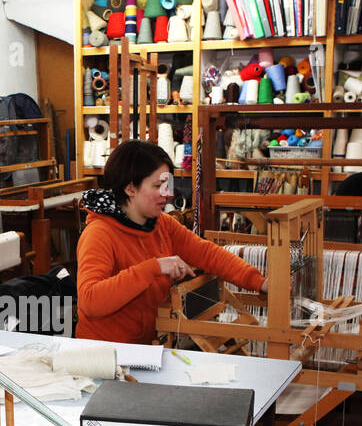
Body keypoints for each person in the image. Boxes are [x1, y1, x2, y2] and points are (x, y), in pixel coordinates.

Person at [77, 140, 267, 345]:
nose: (167, 195)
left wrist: (259, 282)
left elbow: (207, 253)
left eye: (167, 185)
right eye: (158, 186)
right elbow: (90, 300)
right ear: (131, 188)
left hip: (147, 348)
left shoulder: (162, 225)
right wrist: (154, 267)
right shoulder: (99, 234)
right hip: (104, 353)